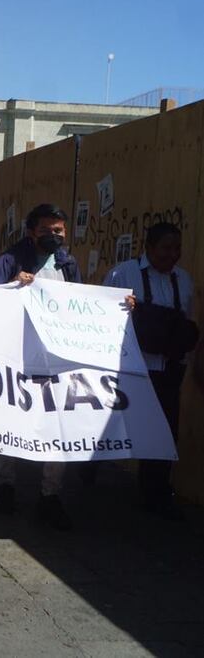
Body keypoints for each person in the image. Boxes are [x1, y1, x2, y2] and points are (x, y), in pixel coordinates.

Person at [0, 203, 77, 530]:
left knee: (59, 425)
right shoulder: (10, 260)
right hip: (17, 355)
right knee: (12, 419)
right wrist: (9, 286)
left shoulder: (67, 264)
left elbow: (80, 303)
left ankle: (51, 494)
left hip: (55, 357)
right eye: (46, 230)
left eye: (58, 230)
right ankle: (6, 485)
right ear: (31, 232)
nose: (53, 235)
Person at [104, 222, 197, 520]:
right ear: (149, 247)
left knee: (164, 432)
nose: (172, 254)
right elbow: (104, 318)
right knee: (112, 425)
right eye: (166, 248)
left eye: (177, 248)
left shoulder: (183, 280)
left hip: (168, 370)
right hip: (132, 368)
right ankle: (91, 469)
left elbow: (185, 323)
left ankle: (156, 492)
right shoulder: (123, 274)